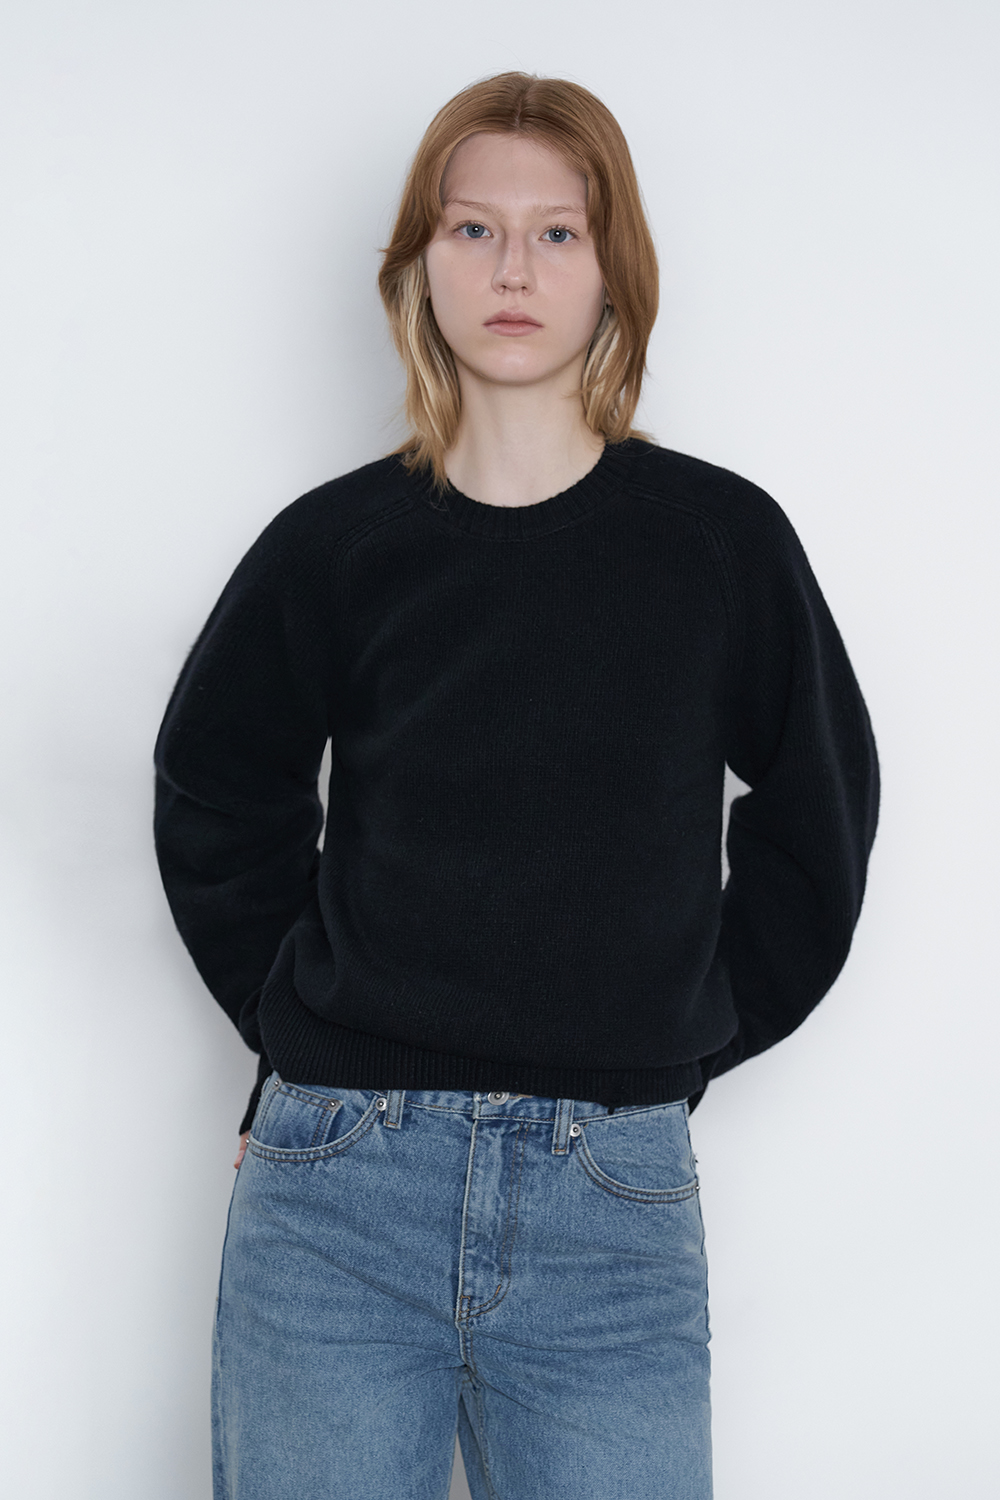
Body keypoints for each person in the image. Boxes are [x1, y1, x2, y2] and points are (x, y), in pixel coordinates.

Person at [153, 70, 879, 1500]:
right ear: (419, 264)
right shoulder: (336, 546)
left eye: (558, 232)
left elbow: (821, 807)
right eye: (473, 228)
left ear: (615, 270)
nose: (513, 270)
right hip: (337, 1189)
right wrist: (293, 1023)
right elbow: (216, 787)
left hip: (612, 1206)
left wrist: (682, 1032)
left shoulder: (719, 544)